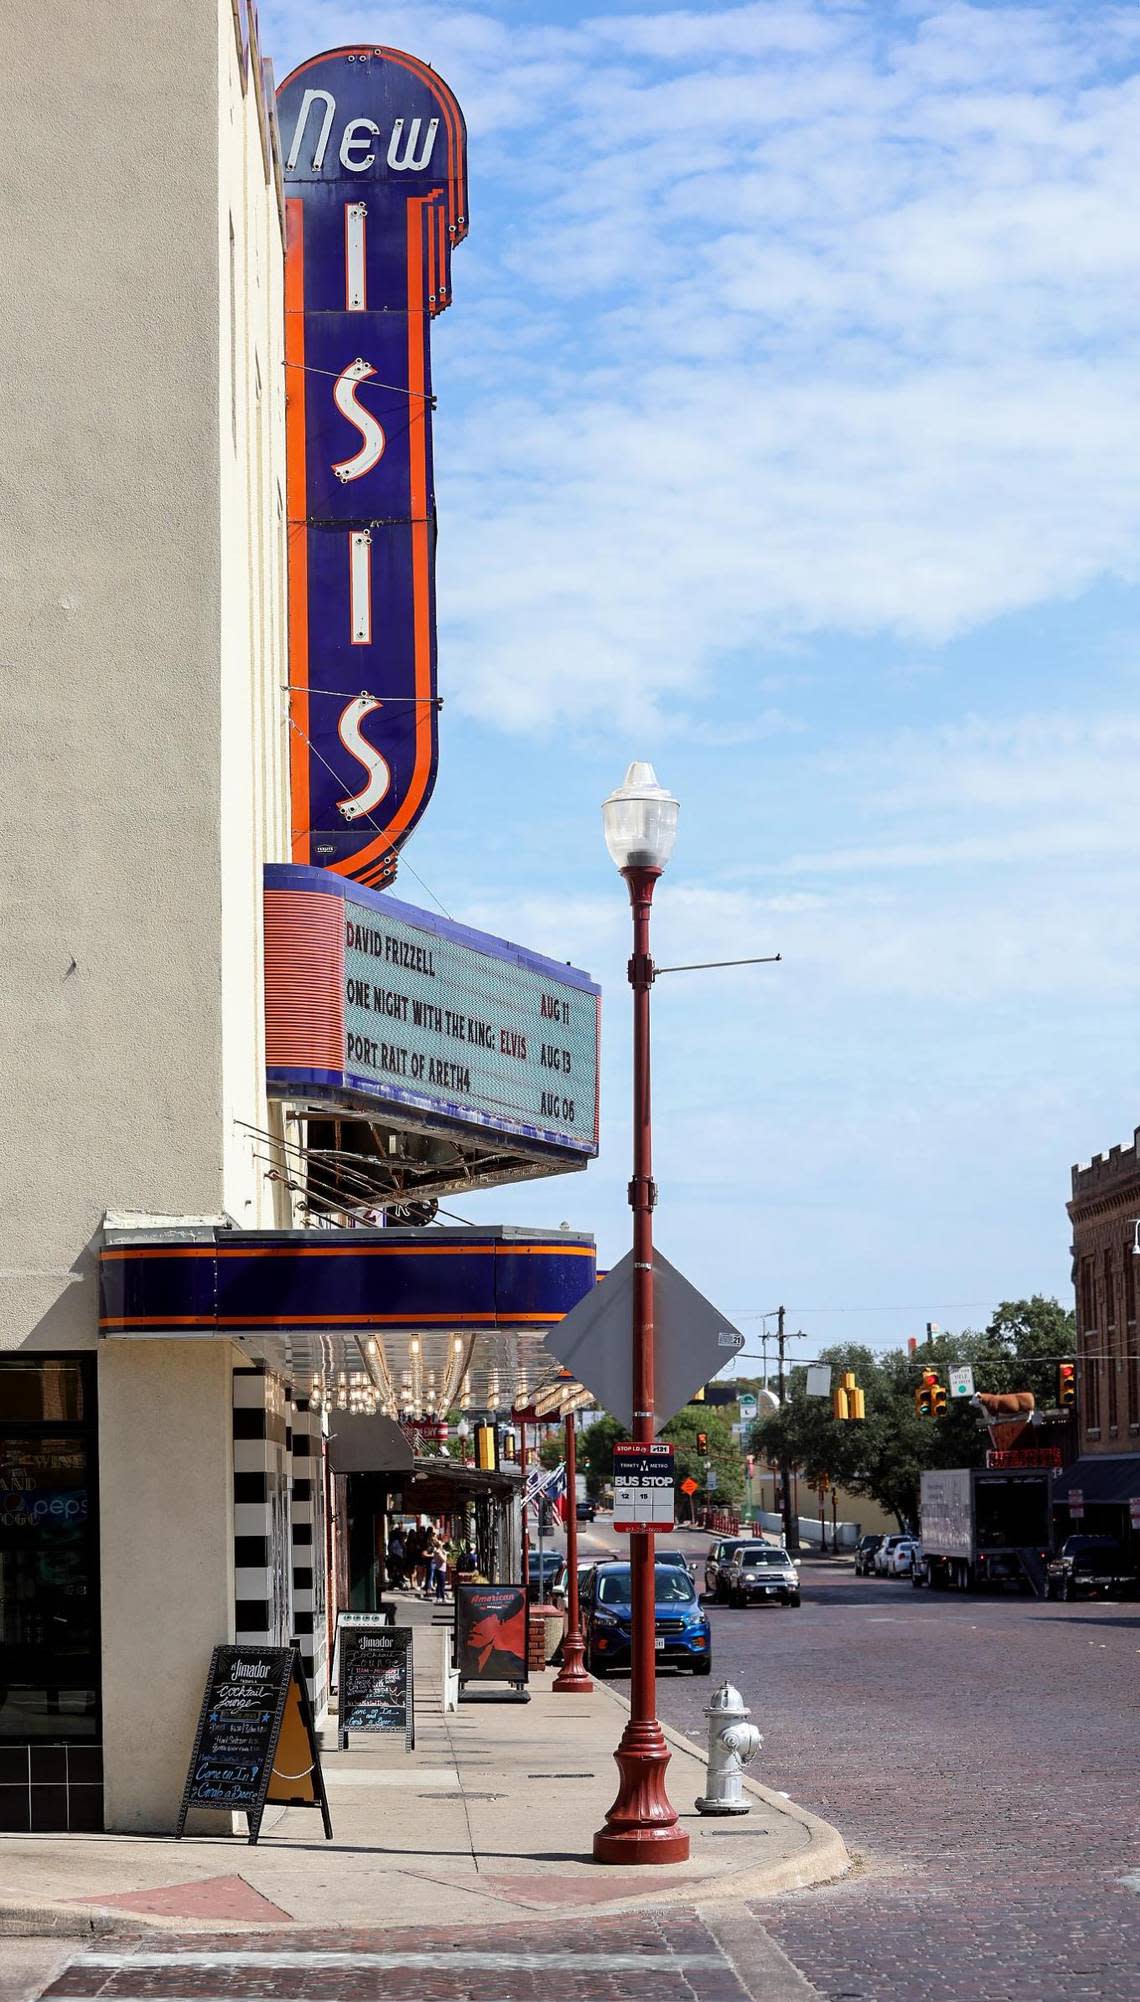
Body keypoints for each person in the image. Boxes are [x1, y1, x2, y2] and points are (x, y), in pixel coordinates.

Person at [387, 1525, 405, 1589]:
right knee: (397, 1571)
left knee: (396, 1572)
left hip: (395, 1558)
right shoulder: (396, 1542)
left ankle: (396, 1583)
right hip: (397, 1558)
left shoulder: (392, 1541)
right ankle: (397, 1583)